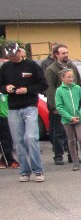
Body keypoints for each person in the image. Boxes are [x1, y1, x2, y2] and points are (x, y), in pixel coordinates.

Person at [0, 42, 47, 181]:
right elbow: (1, 85)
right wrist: (6, 88)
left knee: (31, 138)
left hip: (30, 106)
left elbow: (43, 84)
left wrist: (28, 90)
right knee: (18, 141)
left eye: (14, 55)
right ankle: (24, 171)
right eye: (10, 56)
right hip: (13, 108)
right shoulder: (5, 67)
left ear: (20, 52)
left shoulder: (31, 65)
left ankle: (38, 170)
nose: (12, 58)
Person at [44, 44, 80, 164]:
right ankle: (58, 155)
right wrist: (55, 107)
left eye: (67, 52)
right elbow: (50, 90)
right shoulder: (51, 69)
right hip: (58, 107)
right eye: (63, 53)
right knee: (58, 132)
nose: (66, 55)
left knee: (73, 133)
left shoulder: (72, 67)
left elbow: (78, 84)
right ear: (56, 54)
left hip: (72, 106)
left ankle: (73, 156)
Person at [54, 68, 81, 171]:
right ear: (63, 78)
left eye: (72, 77)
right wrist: (69, 117)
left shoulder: (77, 88)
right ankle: (75, 162)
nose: (71, 79)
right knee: (71, 141)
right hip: (67, 120)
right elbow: (59, 106)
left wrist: (80, 115)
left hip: (78, 118)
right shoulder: (59, 90)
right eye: (68, 77)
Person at [0, 90, 18, 169]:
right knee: (5, 140)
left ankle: (5, 159)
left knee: (9, 140)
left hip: (8, 116)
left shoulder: (6, 92)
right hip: (2, 117)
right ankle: (7, 160)